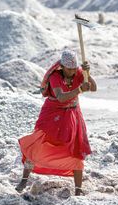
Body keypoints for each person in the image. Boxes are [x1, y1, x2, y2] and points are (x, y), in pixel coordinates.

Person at [16, 49, 97, 196]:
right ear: (62, 66)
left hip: (72, 115)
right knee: (38, 142)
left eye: (75, 68)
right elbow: (60, 97)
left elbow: (94, 88)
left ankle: (78, 189)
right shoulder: (55, 76)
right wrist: (79, 89)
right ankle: (24, 178)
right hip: (51, 114)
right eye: (69, 69)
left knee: (75, 148)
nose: (73, 71)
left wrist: (87, 75)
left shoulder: (79, 72)